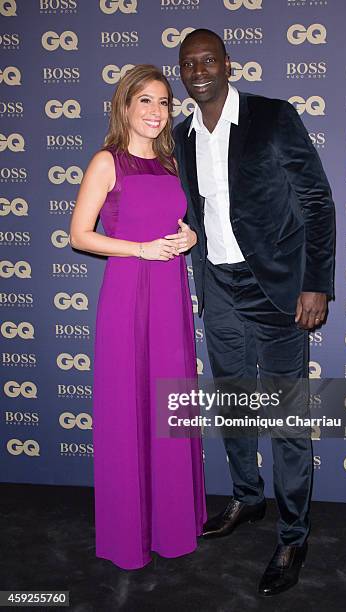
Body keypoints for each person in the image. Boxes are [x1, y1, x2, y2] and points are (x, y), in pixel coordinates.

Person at [174, 29, 335, 595]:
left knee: (287, 415)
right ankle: (247, 498)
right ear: (182, 72)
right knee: (236, 402)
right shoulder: (182, 135)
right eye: (188, 63)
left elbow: (316, 200)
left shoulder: (272, 116)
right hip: (218, 286)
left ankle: (293, 534)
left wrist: (315, 282)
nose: (198, 70)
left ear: (226, 64)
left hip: (278, 288)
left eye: (207, 60)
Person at [69, 64, 206, 570]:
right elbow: (80, 234)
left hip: (171, 294)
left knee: (170, 407)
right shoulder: (108, 161)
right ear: (124, 106)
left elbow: (183, 223)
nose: (155, 111)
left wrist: (190, 238)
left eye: (164, 102)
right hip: (128, 295)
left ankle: (172, 526)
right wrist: (139, 250)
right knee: (130, 408)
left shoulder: (172, 164)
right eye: (145, 101)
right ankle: (130, 534)